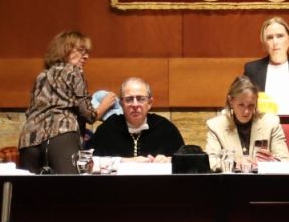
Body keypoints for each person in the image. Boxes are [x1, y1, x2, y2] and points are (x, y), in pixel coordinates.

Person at [19, 30, 116, 174]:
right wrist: (105, 104)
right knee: (70, 186)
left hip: (28, 140)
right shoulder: (74, 72)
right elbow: (88, 115)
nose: (86, 56)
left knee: (31, 188)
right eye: (81, 51)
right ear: (65, 50)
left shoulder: (42, 75)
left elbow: (31, 111)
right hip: (62, 135)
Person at [205, 75, 288, 172]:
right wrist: (236, 164)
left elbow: (285, 160)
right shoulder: (215, 126)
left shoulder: (271, 123)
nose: (246, 111)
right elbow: (210, 161)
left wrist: (271, 162)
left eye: (251, 105)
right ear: (231, 101)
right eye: (241, 105)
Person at [242, 16, 289, 119]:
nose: (275, 42)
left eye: (280, 36)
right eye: (270, 37)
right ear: (264, 42)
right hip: (263, 127)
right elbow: (243, 102)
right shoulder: (252, 70)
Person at [88, 78, 184, 160]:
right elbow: (90, 162)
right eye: (129, 99)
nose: (135, 104)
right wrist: (125, 161)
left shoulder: (166, 129)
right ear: (121, 104)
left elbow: (185, 162)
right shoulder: (107, 129)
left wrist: (169, 161)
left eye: (141, 99)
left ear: (149, 103)